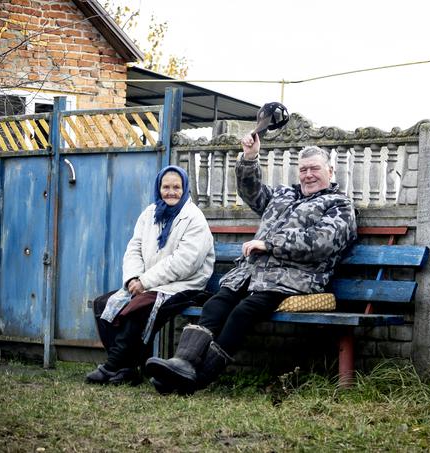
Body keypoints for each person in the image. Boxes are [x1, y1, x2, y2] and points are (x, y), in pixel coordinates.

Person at [145, 136, 357, 394]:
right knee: (215, 304)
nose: (308, 175)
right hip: (250, 274)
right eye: (303, 169)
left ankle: (195, 379)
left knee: (242, 313)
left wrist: (270, 244)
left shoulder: (339, 205)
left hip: (294, 279)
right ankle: (183, 364)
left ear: (330, 171)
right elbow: (250, 191)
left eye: (315, 169)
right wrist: (249, 157)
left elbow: (322, 242)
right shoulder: (283, 195)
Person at [86, 165, 215, 386]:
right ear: (159, 188)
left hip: (184, 284)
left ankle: (113, 365)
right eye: (166, 187)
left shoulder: (194, 219)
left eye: (177, 187)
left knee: (138, 308)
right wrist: (133, 279)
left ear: (184, 189)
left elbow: (185, 262)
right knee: (104, 305)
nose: (171, 192)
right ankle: (128, 369)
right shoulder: (150, 213)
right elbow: (134, 248)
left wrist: (145, 282)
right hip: (148, 283)